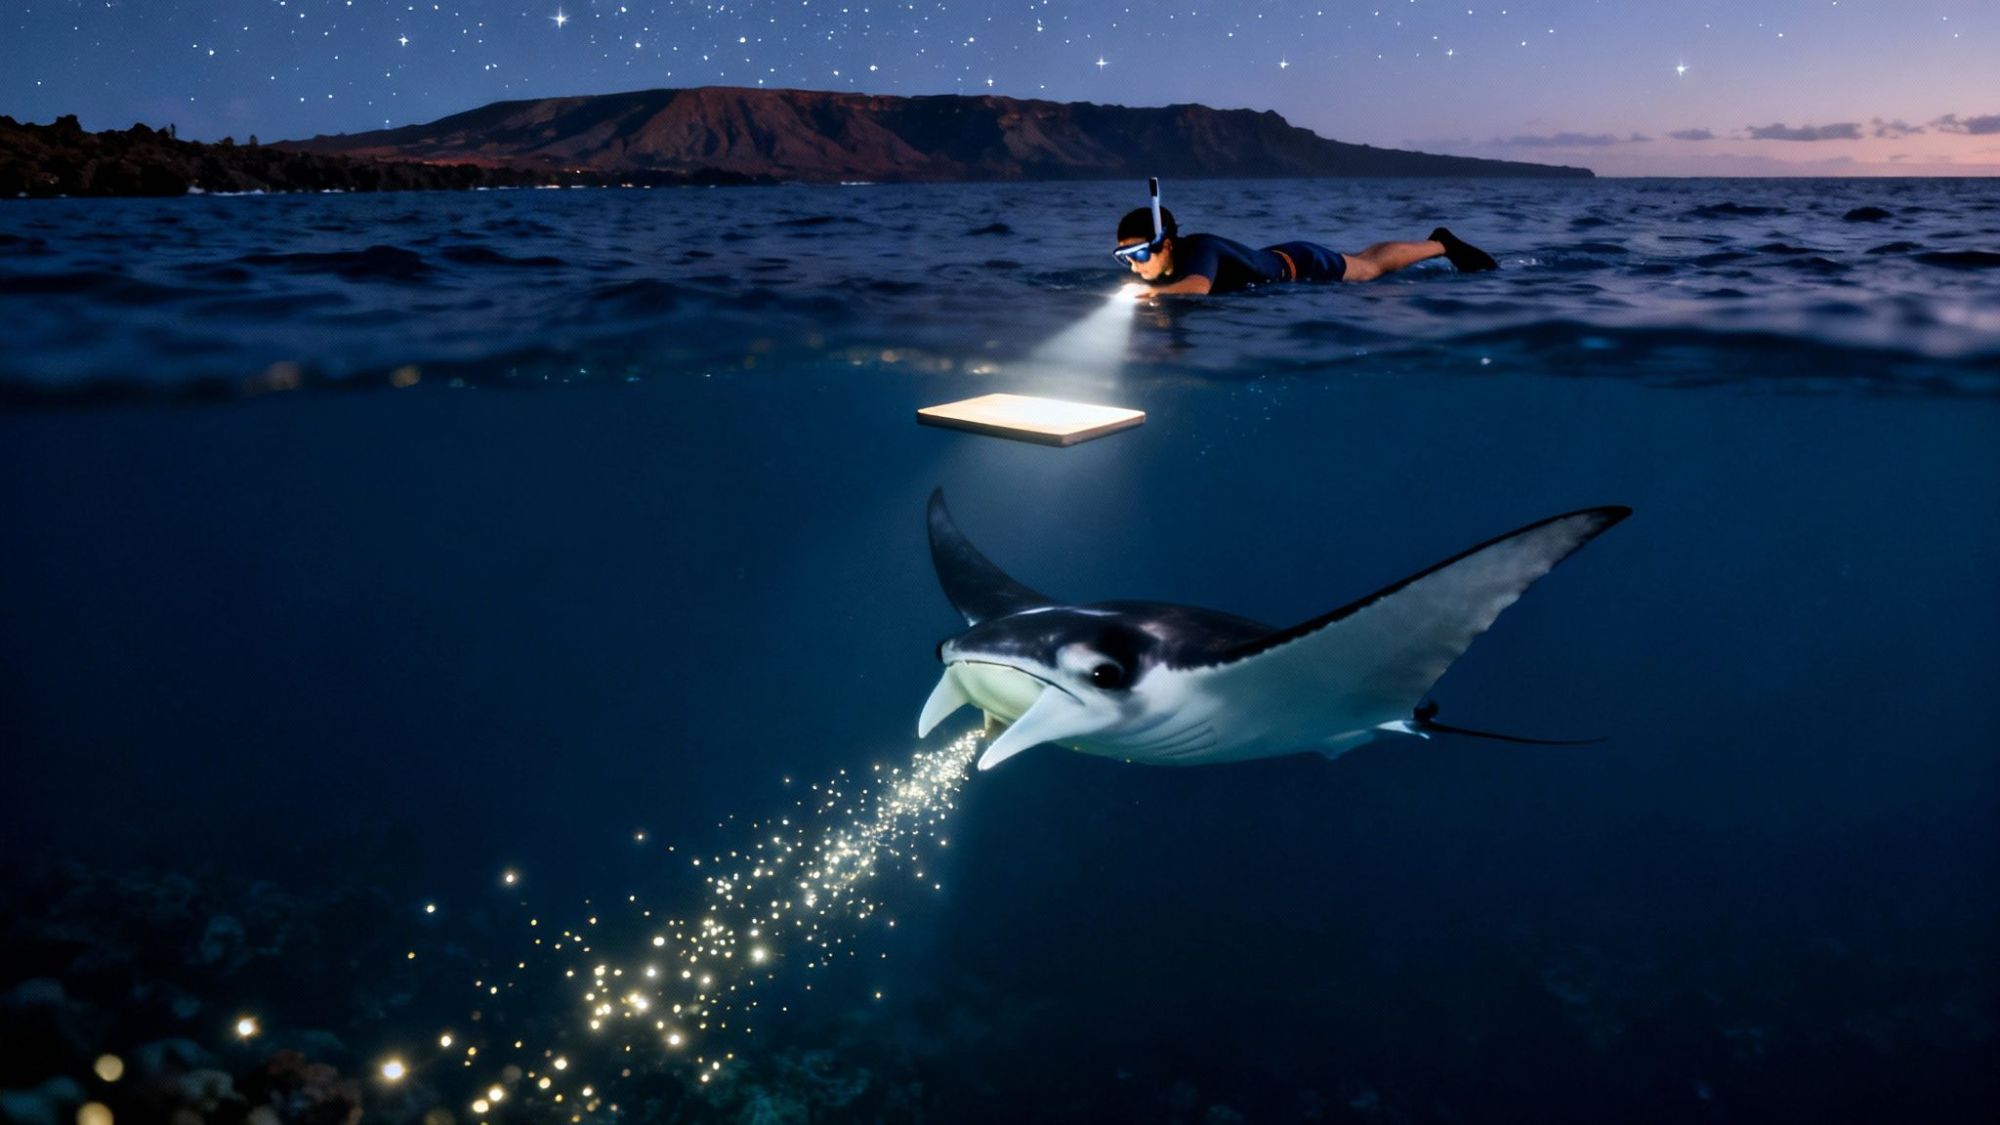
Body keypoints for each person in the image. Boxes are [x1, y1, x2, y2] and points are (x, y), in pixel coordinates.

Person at [1113, 206, 1498, 296]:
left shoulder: (1198, 249)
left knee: (1369, 268)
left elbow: (1196, 288)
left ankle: (1442, 243)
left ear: (1165, 244)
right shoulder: (1174, 262)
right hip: (1280, 257)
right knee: (1364, 258)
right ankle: (1435, 241)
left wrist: (1150, 296)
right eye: (1125, 257)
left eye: (1140, 253)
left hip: (1301, 264)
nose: (1133, 264)